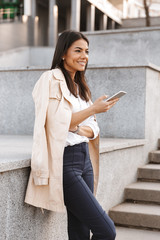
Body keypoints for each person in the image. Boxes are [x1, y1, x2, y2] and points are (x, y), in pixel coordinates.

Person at [25, 30, 118, 240]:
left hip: (85, 160)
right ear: (63, 54)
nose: (84, 56)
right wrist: (92, 110)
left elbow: (92, 129)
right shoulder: (50, 79)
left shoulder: (81, 87)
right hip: (65, 163)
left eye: (86, 51)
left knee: (80, 231)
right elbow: (57, 123)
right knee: (106, 230)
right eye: (78, 50)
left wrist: (78, 125)